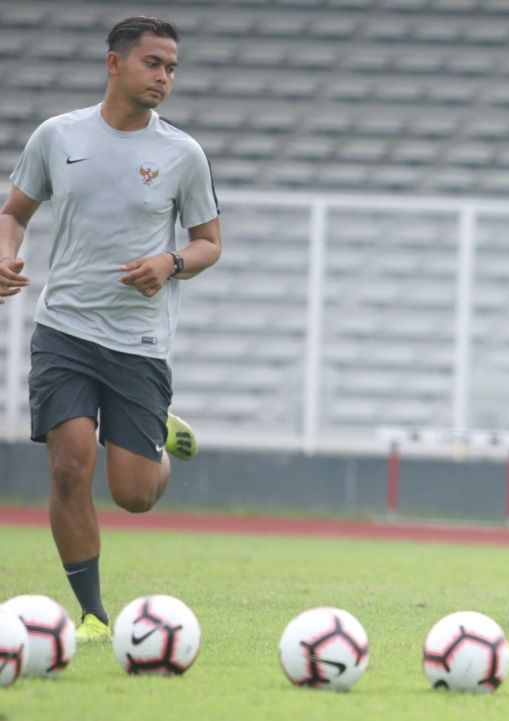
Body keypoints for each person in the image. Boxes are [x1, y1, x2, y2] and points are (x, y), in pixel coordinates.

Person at [0, 17, 221, 641]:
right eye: (153, 64)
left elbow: (209, 244)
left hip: (138, 342)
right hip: (65, 329)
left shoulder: (183, 154)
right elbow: (14, 212)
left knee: (134, 495)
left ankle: (157, 442)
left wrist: (170, 262)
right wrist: (4, 251)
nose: (164, 78)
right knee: (69, 467)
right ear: (114, 64)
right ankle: (93, 613)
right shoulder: (57, 136)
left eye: (172, 68)